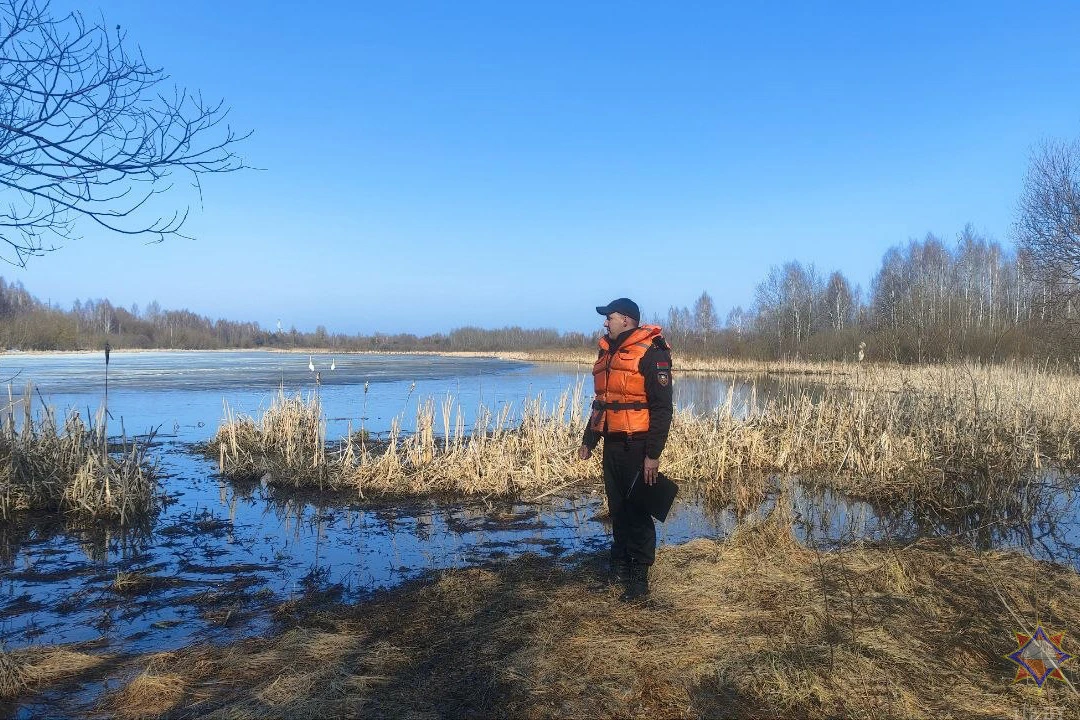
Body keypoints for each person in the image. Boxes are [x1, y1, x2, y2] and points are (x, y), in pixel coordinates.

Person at [578, 297, 673, 601]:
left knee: (638, 510)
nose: (606, 322)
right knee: (617, 508)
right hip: (613, 444)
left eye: (610, 317)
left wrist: (653, 455)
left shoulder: (652, 353)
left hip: (639, 445)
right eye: (606, 318)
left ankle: (639, 578)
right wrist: (589, 440)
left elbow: (662, 409)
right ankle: (619, 564)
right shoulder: (607, 351)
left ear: (626, 320)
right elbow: (602, 403)